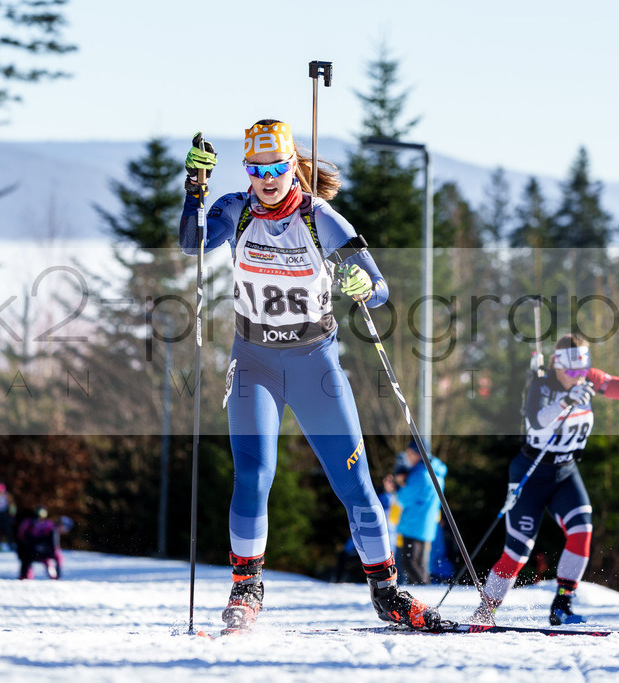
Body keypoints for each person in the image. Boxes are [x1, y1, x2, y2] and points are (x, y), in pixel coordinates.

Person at [179, 121, 441, 631]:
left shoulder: (321, 220)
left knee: (355, 483)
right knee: (254, 475)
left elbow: (380, 289)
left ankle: (387, 593)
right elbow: (192, 247)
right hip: (254, 361)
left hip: (314, 364)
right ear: (247, 172)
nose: (268, 178)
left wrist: (361, 281)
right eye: (257, 170)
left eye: (277, 168)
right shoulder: (233, 210)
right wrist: (194, 193)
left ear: (292, 166)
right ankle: (246, 588)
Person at [484, 331, 619, 625]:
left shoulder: (589, 379)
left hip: (565, 471)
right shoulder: (542, 384)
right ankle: (486, 610)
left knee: (582, 530)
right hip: (532, 471)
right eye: (571, 371)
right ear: (557, 366)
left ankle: (562, 605)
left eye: (581, 370)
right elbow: (537, 420)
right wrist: (566, 402)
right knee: (518, 551)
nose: (577, 376)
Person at [395, 438, 446, 585]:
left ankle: (426, 592)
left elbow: (403, 499)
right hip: (426, 523)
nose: (407, 456)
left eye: (409, 453)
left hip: (414, 524)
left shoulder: (420, 474)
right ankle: (422, 593)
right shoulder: (436, 470)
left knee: (410, 564)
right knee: (418, 564)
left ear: (417, 453)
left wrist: (399, 484)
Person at [17, 506, 67, 580]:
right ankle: (25, 576)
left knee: (53, 560)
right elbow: (21, 536)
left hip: (41, 551)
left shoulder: (48, 524)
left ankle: (56, 576)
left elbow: (54, 539)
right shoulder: (29, 522)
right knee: (28, 560)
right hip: (31, 551)